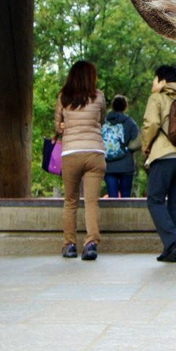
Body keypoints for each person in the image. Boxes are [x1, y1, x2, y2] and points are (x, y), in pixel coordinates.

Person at [141, 65, 176, 262]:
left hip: (164, 156)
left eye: (154, 80)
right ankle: (172, 251)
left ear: (163, 81)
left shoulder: (157, 98)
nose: (152, 84)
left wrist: (145, 146)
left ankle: (175, 236)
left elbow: (151, 124)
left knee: (154, 200)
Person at [54, 60, 106, 261]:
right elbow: (101, 120)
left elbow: (59, 127)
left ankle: (69, 245)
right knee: (92, 202)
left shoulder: (63, 97)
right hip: (94, 151)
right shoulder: (98, 96)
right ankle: (91, 244)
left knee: (70, 202)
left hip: (71, 153)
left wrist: (66, 125)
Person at [104, 95, 140, 198]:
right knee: (125, 196)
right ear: (125, 107)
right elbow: (138, 141)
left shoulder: (104, 121)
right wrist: (128, 149)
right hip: (126, 164)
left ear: (112, 106)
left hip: (108, 165)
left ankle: (113, 214)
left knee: (112, 197)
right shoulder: (129, 122)